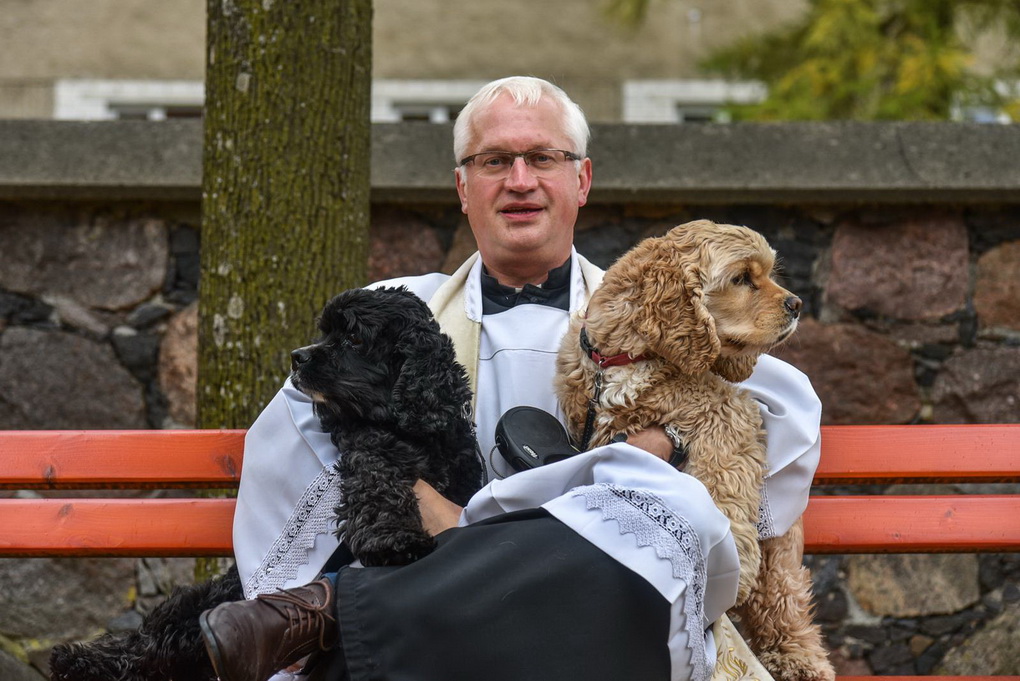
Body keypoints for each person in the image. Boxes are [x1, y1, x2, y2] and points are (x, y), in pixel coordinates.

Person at [201, 76, 822, 681]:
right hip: (451, 619)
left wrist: (665, 444)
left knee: (669, 513)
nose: (519, 181)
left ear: (581, 181)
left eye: (542, 158)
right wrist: (412, 493)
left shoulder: (658, 315)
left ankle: (330, 611)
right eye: (494, 160)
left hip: (591, 611)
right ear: (462, 187)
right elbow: (303, 434)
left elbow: (779, 407)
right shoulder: (392, 316)